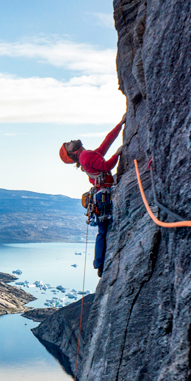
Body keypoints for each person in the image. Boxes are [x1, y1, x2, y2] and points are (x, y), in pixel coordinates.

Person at [59, 114, 126, 277]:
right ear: (72, 153)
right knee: (104, 231)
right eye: (68, 145)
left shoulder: (86, 155)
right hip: (103, 195)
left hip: (101, 195)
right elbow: (105, 165)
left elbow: (106, 142)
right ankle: (100, 264)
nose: (70, 141)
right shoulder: (85, 156)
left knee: (103, 231)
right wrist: (118, 154)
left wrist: (121, 123)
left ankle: (99, 263)